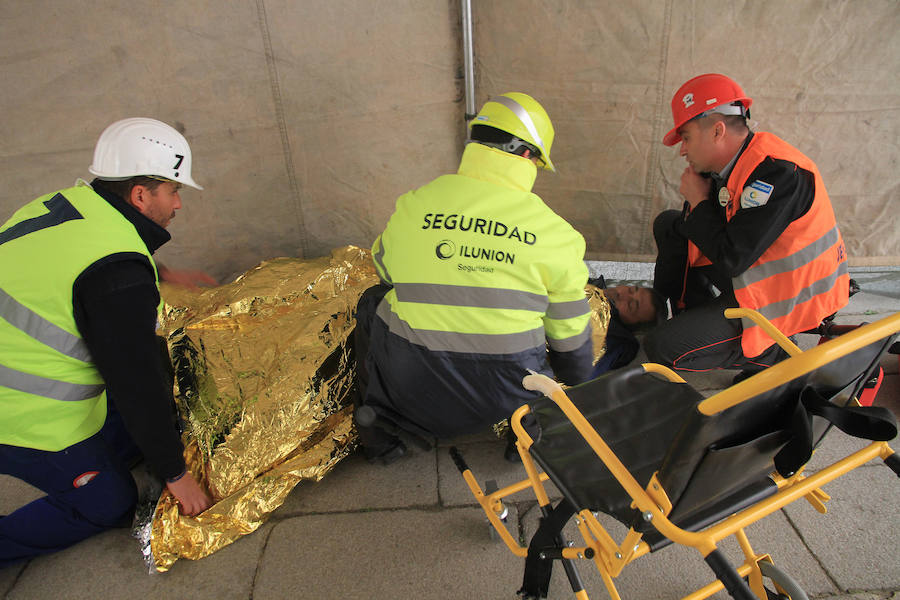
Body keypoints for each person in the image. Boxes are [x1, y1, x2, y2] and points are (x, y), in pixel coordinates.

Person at [0, 117, 212, 568]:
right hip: (18, 413)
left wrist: (165, 275)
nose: (177, 204)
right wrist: (175, 474)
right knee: (110, 502)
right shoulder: (118, 275)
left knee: (141, 430)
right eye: (172, 191)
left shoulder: (70, 202)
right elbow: (137, 381)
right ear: (140, 194)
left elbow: (80, 263)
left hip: (13, 368)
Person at [354, 93, 594, 463]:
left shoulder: (416, 202)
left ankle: (379, 438)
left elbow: (384, 269)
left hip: (412, 387)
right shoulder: (557, 235)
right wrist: (575, 379)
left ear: (476, 142)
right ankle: (527, 442)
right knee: (550, 338)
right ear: (530, 157)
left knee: (373, 301)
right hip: (503, 396)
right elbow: (571, 340)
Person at [645, 74, 849, 377]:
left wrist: (700, 202)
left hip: (794, 297)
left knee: (661, 348)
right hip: (760, 273)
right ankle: (698, 321)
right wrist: (700, 201)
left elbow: (731, 258)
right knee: (671, 225)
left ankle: (775, 353)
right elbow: (718, 236)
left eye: (686, 138)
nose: (683, 151)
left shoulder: (778, 174)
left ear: (717, 131)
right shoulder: (736, 164)